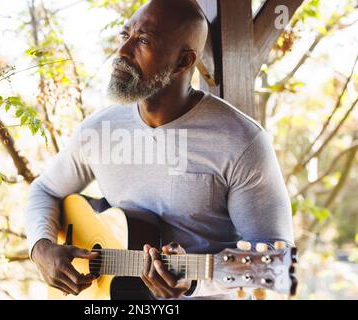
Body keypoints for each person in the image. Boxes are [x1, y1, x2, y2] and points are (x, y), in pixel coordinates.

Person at [24, 0, 294, 299]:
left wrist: (192, 283)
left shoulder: (242, 141)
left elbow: (274, 261)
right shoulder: (98, 131)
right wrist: (41, 248)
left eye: (143, 41)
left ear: (184, 61)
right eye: (124, 35)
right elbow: (45, 190)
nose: (122, 52)